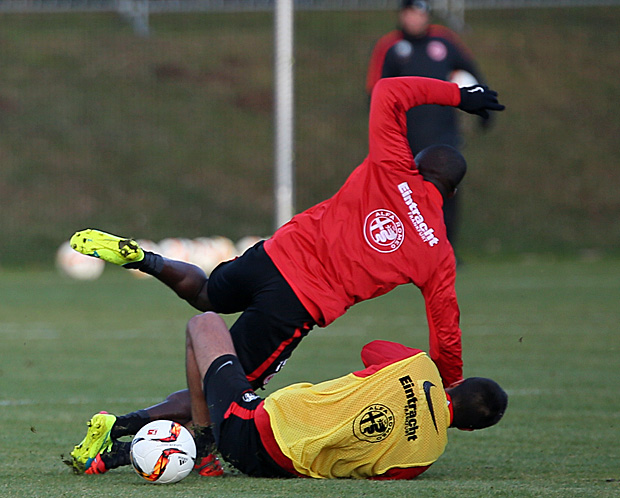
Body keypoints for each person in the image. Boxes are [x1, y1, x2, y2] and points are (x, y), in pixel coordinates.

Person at [69, 76, 504, 473]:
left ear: (418, 162)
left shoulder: (391, 166)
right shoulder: (438, 253)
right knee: (226, 385)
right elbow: (446, 329)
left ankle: (147, 260)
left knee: (204, 294)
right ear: (452, 193)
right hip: (294, 303)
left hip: (272, 256)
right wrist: (449, 385)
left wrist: (460, 97)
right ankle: (124, 428)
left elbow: (390, 90)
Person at [70, 312, 508, 479]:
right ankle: (127, 450)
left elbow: (370, 350)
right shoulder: (424, 457)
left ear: (454, 385)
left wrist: (424, 373)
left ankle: (201, 441)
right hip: (275, 469)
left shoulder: (417, 365)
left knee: (203, 325)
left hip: (254, 424)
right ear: (468, 428)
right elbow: (372, 473)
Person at [367, 0, 492, 249]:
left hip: (443, 136)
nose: (414, 19)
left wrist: (484, 109)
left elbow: (471, 75)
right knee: (402, 197)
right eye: (410, 13)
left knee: (446, 194)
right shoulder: (390, 46)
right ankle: (404, 251)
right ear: (402, 15)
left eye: (419, 14)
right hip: (404, 139)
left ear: (427, 16)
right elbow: (375, 92)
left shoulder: (444, 41)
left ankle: (447, 250)